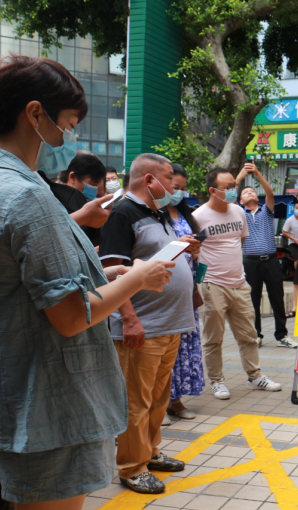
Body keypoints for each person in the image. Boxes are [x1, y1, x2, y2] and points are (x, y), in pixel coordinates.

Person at [0, 55, 177, 508]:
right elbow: (70, 314)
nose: (69, 137)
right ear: (34, 114)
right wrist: (138, 276)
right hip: (43, 407)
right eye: (69, 122)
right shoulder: (27, 196)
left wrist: (106, 274)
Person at [100, 153, 200, 493]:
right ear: (149, 180)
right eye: (169, 178)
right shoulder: (122, 214)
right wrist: (128, 319)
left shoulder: (157, 213)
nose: (173, 185)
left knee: (158, 398)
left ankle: (150, 452)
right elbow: (114, 270)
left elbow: (153, 259)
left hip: (169, 324)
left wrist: (182, 247)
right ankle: (131, 467)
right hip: (141, 325)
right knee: (136, 402)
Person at [193, 168, 282, 400]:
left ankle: (255, 375)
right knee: (214, 338)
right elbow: (194, 250)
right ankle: (217, 380)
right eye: (228, 187)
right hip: (212, 285)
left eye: (235, 184)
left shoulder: (237, 212)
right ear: (213, 190)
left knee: (249, 335)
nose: (234, 190)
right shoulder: (199, 217)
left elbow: (240, 241)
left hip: (239, 283)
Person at [162, 163, 205, 422]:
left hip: (187, 288)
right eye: (174, 187)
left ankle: (176, 400)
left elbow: (195, 251)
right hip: (162, 290)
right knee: (163, 347)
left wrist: (196, 251)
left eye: (182, 189)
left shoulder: (186, 215)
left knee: (183, 346)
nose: (178, 193)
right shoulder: (152, 215)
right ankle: (160, 401)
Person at [237, 163, 296, 349]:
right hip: (250, 263)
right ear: (239, 200)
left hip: (271, 260)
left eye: (252, 191)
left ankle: (281, 335)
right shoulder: (238, 213)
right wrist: (240, 176)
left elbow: (269, 193)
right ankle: (257, 335)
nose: (249, 192)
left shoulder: (266, 211)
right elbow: (226, 196)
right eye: (245, 192)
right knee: (252, 301)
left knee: (277, 298)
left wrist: (257, 173)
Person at [38, 149, 111, 247]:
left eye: (99, 194)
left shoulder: (82, 205)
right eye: (91, 185)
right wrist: (83, 217)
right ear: (72, 177)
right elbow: (40, 237)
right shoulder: (46, 198)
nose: (93, 194)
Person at [281, 202, 298, 317]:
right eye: (297, 208)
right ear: (294, 209)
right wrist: (293, 239)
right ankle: (297, 273)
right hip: (293, 243)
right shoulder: (290, 220)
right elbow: (284, 231)